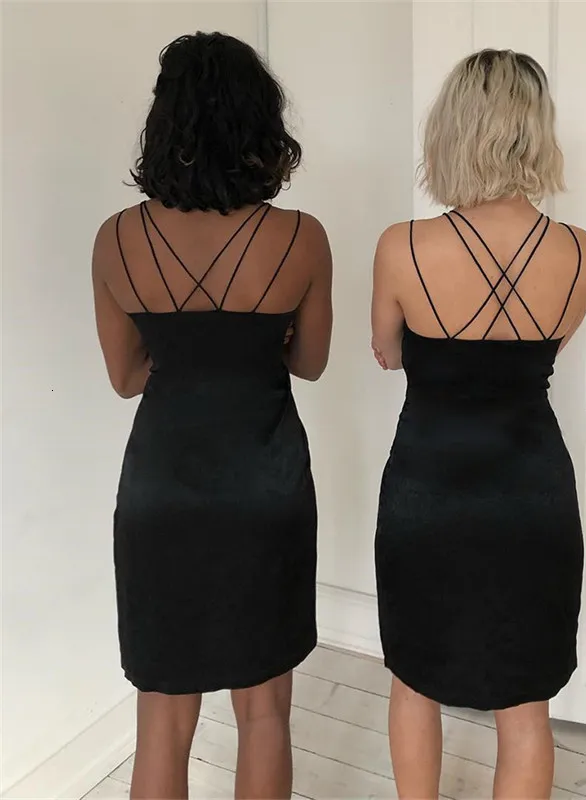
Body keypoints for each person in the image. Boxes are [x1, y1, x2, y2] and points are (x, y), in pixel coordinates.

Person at [92, 33, 332, 800]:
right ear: (261, 122)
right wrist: (260, 344)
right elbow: (311, 362)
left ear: (164, 122)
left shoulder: (116, 239)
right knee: (263, 714)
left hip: (161, 493)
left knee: (162, 719)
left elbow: (126, 378)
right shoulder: (301, 238)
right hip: (266, 490)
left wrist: (182, 353)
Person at [371, 49, 586, 799]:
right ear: (536, 129)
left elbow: (386, 353)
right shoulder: (580, 252)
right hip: (532, 491)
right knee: (524, 702)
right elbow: (546, 351)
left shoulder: (402, 246)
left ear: (451, 129)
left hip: (426, 491)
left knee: (414, 679)